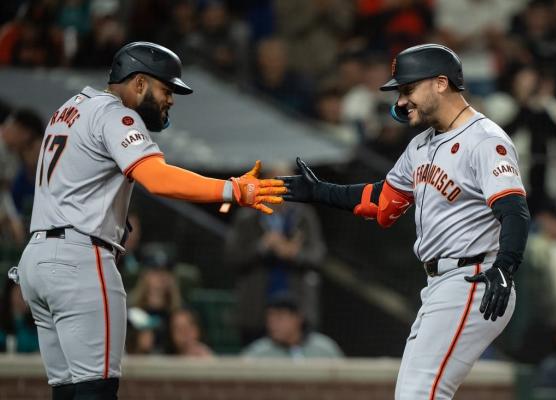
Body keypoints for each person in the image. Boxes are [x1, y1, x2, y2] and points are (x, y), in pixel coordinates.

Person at [11, 41, 286, 400]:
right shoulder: (116, 114)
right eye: (166, 88)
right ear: (139, 83)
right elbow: (157, 178)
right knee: (97, 390)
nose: (170, 99)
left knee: (68, 392)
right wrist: (233, 190)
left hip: (37, 262)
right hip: (79, 258)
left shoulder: (70, 108)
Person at [279, 44, 531, 399]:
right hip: (441, 284)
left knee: (419, 393)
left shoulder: (484, 140)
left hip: (474, 278)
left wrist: (505, 267)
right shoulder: (420, 146)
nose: (401, 101)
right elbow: (382, 201)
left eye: (408, 88)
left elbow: (514, 211)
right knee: (414, 393)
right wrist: (321, 191)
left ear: (441, 83)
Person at [225, 164, 326, 345]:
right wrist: (262, 247)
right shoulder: (248, 217)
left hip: (297, 310)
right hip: (255, 312)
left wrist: (294, 253)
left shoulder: (305, 217)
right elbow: (232, 257)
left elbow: (318, 256)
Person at [242, 293, 343, 359]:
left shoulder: (324, 348)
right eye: (270, 319)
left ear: (298, 318)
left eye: (280, 317)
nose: (273, 324)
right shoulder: (257, 352)